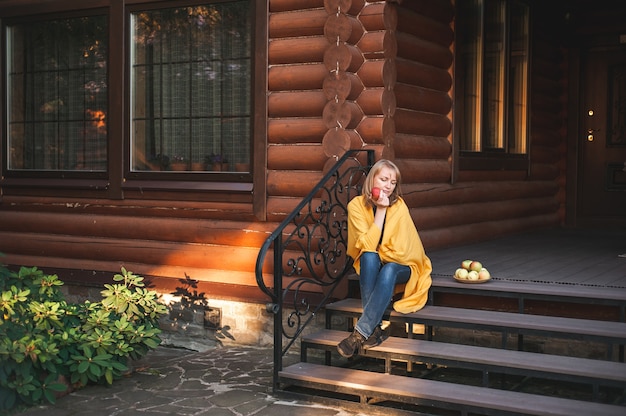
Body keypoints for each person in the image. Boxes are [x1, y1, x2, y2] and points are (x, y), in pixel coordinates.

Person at [337, 159, 432, 358]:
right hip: (376, 263)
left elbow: (405, 253)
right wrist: (380, 210)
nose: (388, 186)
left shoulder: (399, 206)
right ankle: (375, 328)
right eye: (384, 179)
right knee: (369, 257)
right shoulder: (356, 206)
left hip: (405, 266)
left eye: (393, 182)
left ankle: (360, 332)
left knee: (388, 269)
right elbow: (367, 247)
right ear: (372, 179)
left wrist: (385, 209)